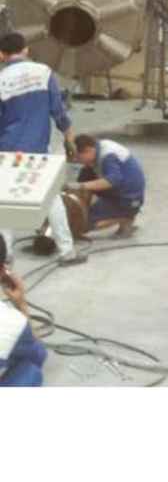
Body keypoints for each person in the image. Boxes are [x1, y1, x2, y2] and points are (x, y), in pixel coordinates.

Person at [0, 32, 85, 266]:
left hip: (7, 150)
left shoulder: (1, 80)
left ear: (2, 55)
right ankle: (67, 252)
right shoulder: (43, 72)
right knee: (51, 198)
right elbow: (58, 112)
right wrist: (69, 137)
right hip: (38, 150)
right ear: (26, 49)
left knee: (5, 201)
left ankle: (5, 257)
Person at [68, 135, 145, 238]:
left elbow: (112, 180)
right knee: (85, 173)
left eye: (79, 157)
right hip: (121, 189)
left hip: (129, 198)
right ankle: (87, 208)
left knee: (82, 224)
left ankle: (127, 218)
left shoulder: (108, 156)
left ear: (88, 150)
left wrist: (81, 186)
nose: (77, 160)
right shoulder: (99, 147)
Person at [0, 235, 48, 387]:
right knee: (31, 371)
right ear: (3, 270)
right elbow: (38, 353)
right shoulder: (11, 322)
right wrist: (21, 303)